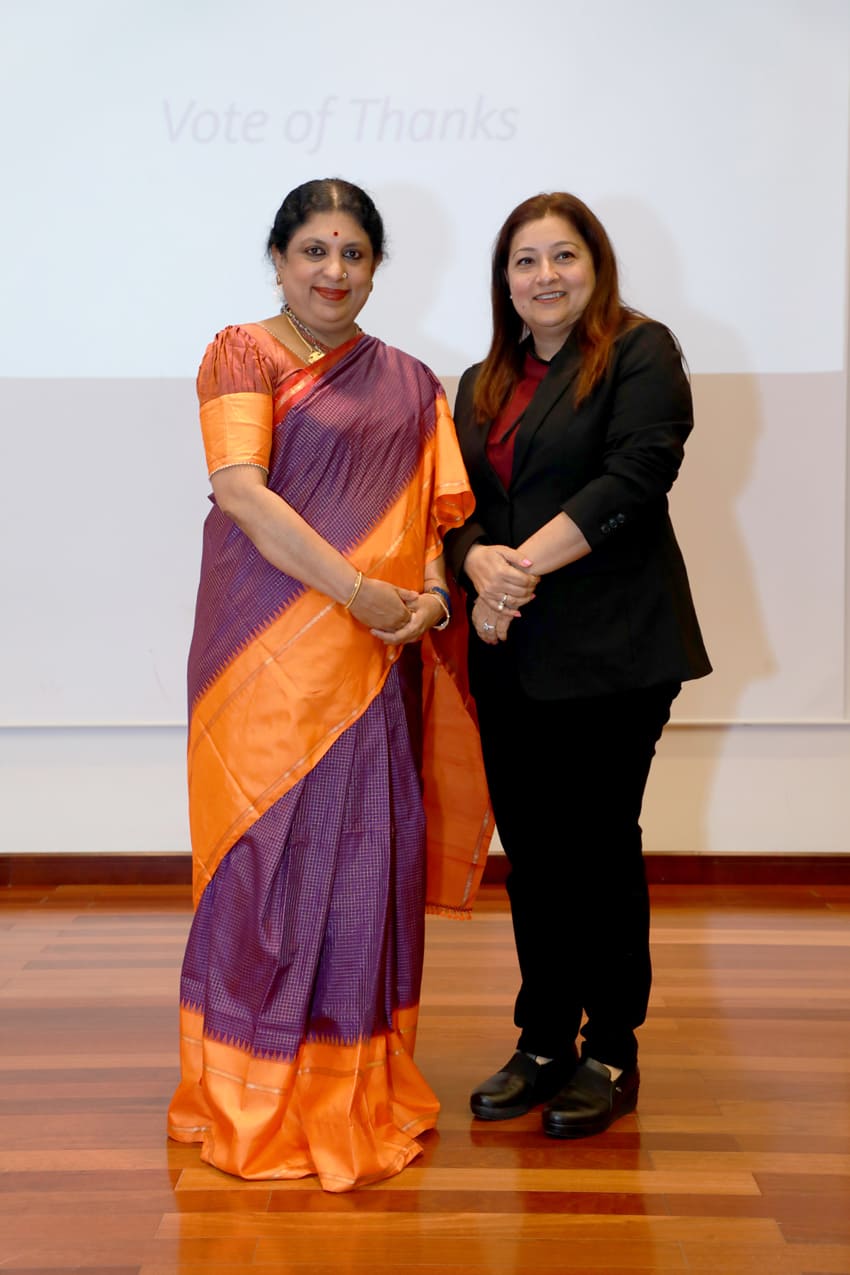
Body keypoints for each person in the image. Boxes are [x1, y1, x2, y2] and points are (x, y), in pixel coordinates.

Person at [167, 178, 490, 1192]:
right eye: (314, 249)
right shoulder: (241, 354)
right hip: (259, 652)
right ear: (278, 259)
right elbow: (241, 492)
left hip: (373, 657)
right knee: (260, 863)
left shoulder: (410, 382)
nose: (333, 270)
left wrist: (426, 602)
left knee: (361, 862)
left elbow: (432, 520)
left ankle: (350, 1082)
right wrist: (356, 591)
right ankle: (248, 1093)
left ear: (377, 267)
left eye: (353, 252)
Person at [444, 192, 711, 1139]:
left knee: (597, 851)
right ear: (504, 280)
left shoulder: (641, 351)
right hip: (509, 652)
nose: (545, 275)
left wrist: (513, 569)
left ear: (596, 267)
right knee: (536, 857)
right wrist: (475, 559)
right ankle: (544, 1038)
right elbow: (455, 504)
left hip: (614, 652)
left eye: (564, 256)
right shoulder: (480, 380)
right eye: (525, 260)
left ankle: (612, 1049)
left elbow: (635, 477)